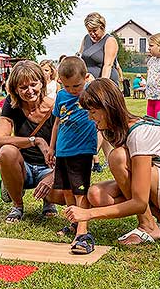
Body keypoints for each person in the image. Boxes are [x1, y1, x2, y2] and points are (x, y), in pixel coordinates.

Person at [64, 78, 160, 245]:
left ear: (108, 108)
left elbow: (139, 202)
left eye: (93, 112)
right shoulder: (120, 130)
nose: (90, 117)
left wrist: (88, 214)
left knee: (118, 157)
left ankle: (148, 225)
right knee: (96, 195)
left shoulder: (139, 134)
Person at [0, 60, 65, 223]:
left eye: (34, 84)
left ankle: (49, 202)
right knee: (6, 151)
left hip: (48, 168)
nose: (30, 91)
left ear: (42, 83)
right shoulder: (11, 104)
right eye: (23, 87)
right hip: (23, 167)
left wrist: (54, 175)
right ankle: (17, 205)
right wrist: (36, 140)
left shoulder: (55, 108)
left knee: (60, 196)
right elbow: (0, 140)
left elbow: (66, 149)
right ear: (15, 89)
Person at [47, 56, 97, 254]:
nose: (72, 90)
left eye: (76, 85)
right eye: (67, 86)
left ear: (85, 77)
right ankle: (73, 223)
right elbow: (57, 123)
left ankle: (83, 230)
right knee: (66, 190)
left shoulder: (90, 93)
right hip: (63, 151)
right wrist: (52, 148)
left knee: (80, 191)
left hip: (82, 151)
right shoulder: (61, 96)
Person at [79, 12, 119, 86]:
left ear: (102, 27)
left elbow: (108, 65)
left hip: (106, 84)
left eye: (94, 30)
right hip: (88, 84)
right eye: (89, 31)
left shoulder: (110, 40)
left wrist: (102, 86)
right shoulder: (86, 39)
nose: (92, 34)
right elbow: (80, 59)